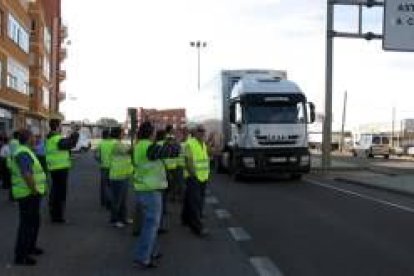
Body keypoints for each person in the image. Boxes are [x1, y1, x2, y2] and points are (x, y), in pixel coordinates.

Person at [132, 122, 179, 268]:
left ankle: (151, 251)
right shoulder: (148, 147)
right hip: (150, 190)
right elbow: (170, 152)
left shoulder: (139, 145)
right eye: (154, 131)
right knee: (151, 226)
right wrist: (175, 141)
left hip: (143, 188)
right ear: (150, 133)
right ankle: (143, 257)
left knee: (149, 224)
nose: (155, 134)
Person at [10, 129, 47, 266]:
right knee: (26, 225)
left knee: (34, 222)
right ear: (28, 138)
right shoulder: (23, 153)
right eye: (34, 137)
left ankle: (30, 247)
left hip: (31, 193)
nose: (36, 139)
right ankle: (21, 256)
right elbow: (27, 175)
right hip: (27, 194)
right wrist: (34, 190)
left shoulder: (26, 150)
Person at [46, 119, 79, 223]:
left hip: (54, 167)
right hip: (60, 168)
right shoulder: (56, 138)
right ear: (57, 127)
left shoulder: (51, 138)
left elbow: (65, 144)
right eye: (60, 126)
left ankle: (54, 212)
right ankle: (58, 216)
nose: (62, 128)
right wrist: (75, 132)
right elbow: (70, 144)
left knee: (55, 191)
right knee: (60, 193)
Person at [181, 124, 210, 237]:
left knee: (190, 200)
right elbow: (188, 161)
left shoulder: (202, 143)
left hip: (203, 176)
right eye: (200, 131)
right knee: (196, 202)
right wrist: (193, 175)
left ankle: (185, 219)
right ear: (195, 132)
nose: (203, 133)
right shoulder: (190, 144)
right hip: (194, 177)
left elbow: (207, 156)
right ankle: (197, 227)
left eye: (204, 131)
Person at [108, 127, 133, 228]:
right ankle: (115, 220)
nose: (124, 134)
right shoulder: (115, 144)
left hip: (123, 174)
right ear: (118, 134)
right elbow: (130, 151)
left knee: (123, 200)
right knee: (117, 200)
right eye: (123, 132)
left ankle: (123, 218)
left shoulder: (119, 143)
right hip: (117, 175)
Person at [95, 128, 115, 209]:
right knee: (111, 185)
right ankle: (110, 201)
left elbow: (95, 155)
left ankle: (103, 201)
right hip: (113, 166)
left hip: (103, 166)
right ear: (109, 135)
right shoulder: (113, 144)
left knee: (104, 185)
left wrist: (99, 160)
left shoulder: (101, 144)